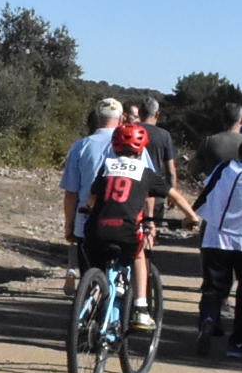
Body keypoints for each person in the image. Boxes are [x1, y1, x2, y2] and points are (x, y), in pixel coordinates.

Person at [77, 121, 194, 327]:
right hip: (126, 231)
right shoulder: (145, 172)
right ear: (141, 149)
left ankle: (86, 310)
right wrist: (191, 217)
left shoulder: (107, 167)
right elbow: (174, 195)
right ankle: (141, 307)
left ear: (114, 147)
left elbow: (91, 198)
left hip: (97, 230)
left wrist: (88, 207)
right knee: (139, 254)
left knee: (99, 266)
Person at [193, 131, 242, 357]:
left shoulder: (224, 168)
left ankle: (208, 318)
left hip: (214, 239)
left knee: (213, 287)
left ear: (239, 153)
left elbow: (207, 191)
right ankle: (238, 344)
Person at [56, 99, 127, 297]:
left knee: (89, 275)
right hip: (122, 221)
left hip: (87, 221)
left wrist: (69, 225)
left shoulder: (81, 146)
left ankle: (87, 313)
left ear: (97, 118)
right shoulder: (132, 146)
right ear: (121, 119)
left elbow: (71, 192)